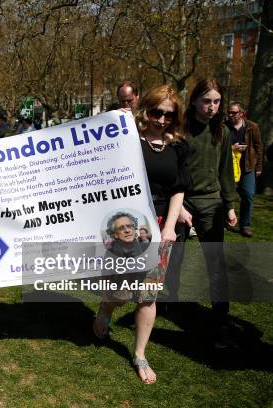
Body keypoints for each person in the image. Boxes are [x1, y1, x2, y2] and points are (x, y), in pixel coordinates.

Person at [93, 85, 189, 384]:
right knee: (121, 292)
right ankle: (106, 308)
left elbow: (178, 189)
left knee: (148, 296)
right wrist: (115, 122)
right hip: (125, 227)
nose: (161, 120)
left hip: (159, 226)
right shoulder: (127, 137)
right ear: (144, 109)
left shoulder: (179, 147)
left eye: (168, 115)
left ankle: (139, 354)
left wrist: (170, 226)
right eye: (156, 112)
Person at [178, 79, 238, 349]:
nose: (212, 107)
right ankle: (170, 304)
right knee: (172, 259)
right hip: (182, 203)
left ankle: (221, 319)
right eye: (206, 101)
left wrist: (230, 204)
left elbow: (225, 171)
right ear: (193, 101)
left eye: (216, 101)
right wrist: (177, 206)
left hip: (211, 205)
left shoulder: (222, 131)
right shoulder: (180, 129)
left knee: (215, 265)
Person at [225, 101, 263, 237]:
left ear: (241, 113)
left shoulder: (252, 127)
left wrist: (258, 167)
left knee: (248, 195)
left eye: (233, 112)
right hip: (227, 167)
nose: (230, 115)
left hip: (247, 167)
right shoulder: (223, 126)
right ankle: (226, 221)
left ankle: (245, 225)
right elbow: (218, 146)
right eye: (229, 112)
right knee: (225, 195)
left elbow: (259, 147)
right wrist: (233, 148)